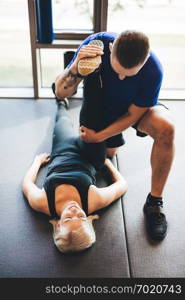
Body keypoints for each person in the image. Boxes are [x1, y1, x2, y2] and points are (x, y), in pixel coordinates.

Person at [54, 30, 175, 241]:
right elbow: (60, 92)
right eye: (117, 71)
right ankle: (109, 143)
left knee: (167, 129)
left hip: (131, 110)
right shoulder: (95, 45)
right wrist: (75, 68)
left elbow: (133, 115)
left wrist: (99, 136)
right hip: (97, 108)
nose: (121, 78)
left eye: (129, 75)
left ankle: (154, 203)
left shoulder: (153, 69)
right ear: (110, 50)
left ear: (145, 60)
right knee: (105, 157)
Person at [22, 99, 127, 253]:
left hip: (62, 149)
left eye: (68, 219)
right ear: (89, 221)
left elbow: (26, 184)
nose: (74, 211)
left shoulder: (43, 203)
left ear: (58, 224)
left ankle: (61, 100)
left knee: (62, 119)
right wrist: (108, 163)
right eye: (82, 217)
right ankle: (96, 87)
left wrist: (36, 162)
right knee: (93, 121)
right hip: (90, 155)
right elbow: (122, 185)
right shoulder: (93, 201)